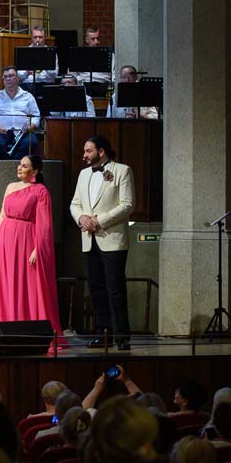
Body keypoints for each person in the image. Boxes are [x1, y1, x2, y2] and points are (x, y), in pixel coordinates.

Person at [0, 155, 69, 356]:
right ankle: (9, 332)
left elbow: (45, 224)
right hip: (5, 242)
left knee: (29, 286)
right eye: (20, 164)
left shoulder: (41, 191)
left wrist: (37, 248)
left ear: (34, 171)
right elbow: (2, 215)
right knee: (8, 285)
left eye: (24, 166)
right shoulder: (10, 187)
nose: (19, 168)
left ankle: (33, 333)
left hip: (26, 242)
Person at [70, 135, 135, 350]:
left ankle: (122, 336)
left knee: (115, 289)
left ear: (101, 151)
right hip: (89, 239)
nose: (84, 155)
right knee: (96, 289)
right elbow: (75, 203)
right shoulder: (83, 174)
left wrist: (99, 221)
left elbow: (127, 205)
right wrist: (81, 218)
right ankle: (103, 334)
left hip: (112, 239)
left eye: (88, 151)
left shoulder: (122, 170)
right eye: (84, 151)